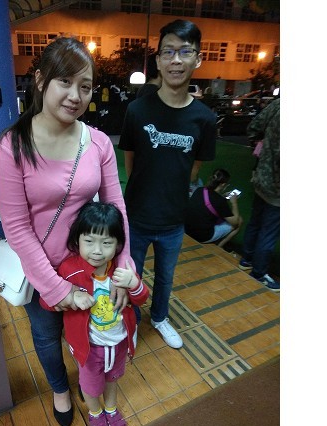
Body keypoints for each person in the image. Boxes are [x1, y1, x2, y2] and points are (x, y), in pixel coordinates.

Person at [0, 37, 133, 426]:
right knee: (47, 335)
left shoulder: (98, 143)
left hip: (91, 267)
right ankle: (59, 388)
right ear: (40, 81)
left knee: (91, 330)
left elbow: (117, 207)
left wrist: (123, 266)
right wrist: (57, 289)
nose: (75, 95)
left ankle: (92, 385)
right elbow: (17, 228)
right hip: (42, 272)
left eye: (85, 86)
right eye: (65, 82)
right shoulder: (11, 147)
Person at [118, 19, 216, 349]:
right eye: (168, 52)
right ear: (158, 60)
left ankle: (160, 317)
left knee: (166, 277)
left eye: (185, 52)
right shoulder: (137, 110)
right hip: (136, 218)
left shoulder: (205, 118)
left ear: (197, 59)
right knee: (131, 275)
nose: (176, 60)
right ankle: (131, 320)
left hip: (174, 221)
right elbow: (131, 164)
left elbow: (192, 171)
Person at [39, 202, 149, 426]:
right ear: (77, 240)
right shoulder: (69, 270)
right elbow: (46, 302)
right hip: (89, 349)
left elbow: (141, 299)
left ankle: (111, 409)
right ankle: (96, 414)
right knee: (90, 387)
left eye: (106, 243)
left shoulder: (122, 269)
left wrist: (134, 283)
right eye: (89, 241)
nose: (97, 250)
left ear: (118, 244)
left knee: (113, 379)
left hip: (119, 343)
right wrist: (70, 296)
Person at [238, 98, 280, 292]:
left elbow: (253, 127)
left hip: (262, 175)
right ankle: (259, 272)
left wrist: (263, 144)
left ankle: (247, 258)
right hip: (278, 185)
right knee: (269, 231)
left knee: (256, 221)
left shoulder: (278, 104)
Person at [185, 168, 243, 250]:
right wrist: (234, 203)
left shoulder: (200, 190)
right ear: (223, 184)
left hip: (186, 230)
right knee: (239, 221)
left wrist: (222, 197)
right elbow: (235, 221)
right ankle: (219, 247)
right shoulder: (220, 201)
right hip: (202, 237)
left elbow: (212, 200)